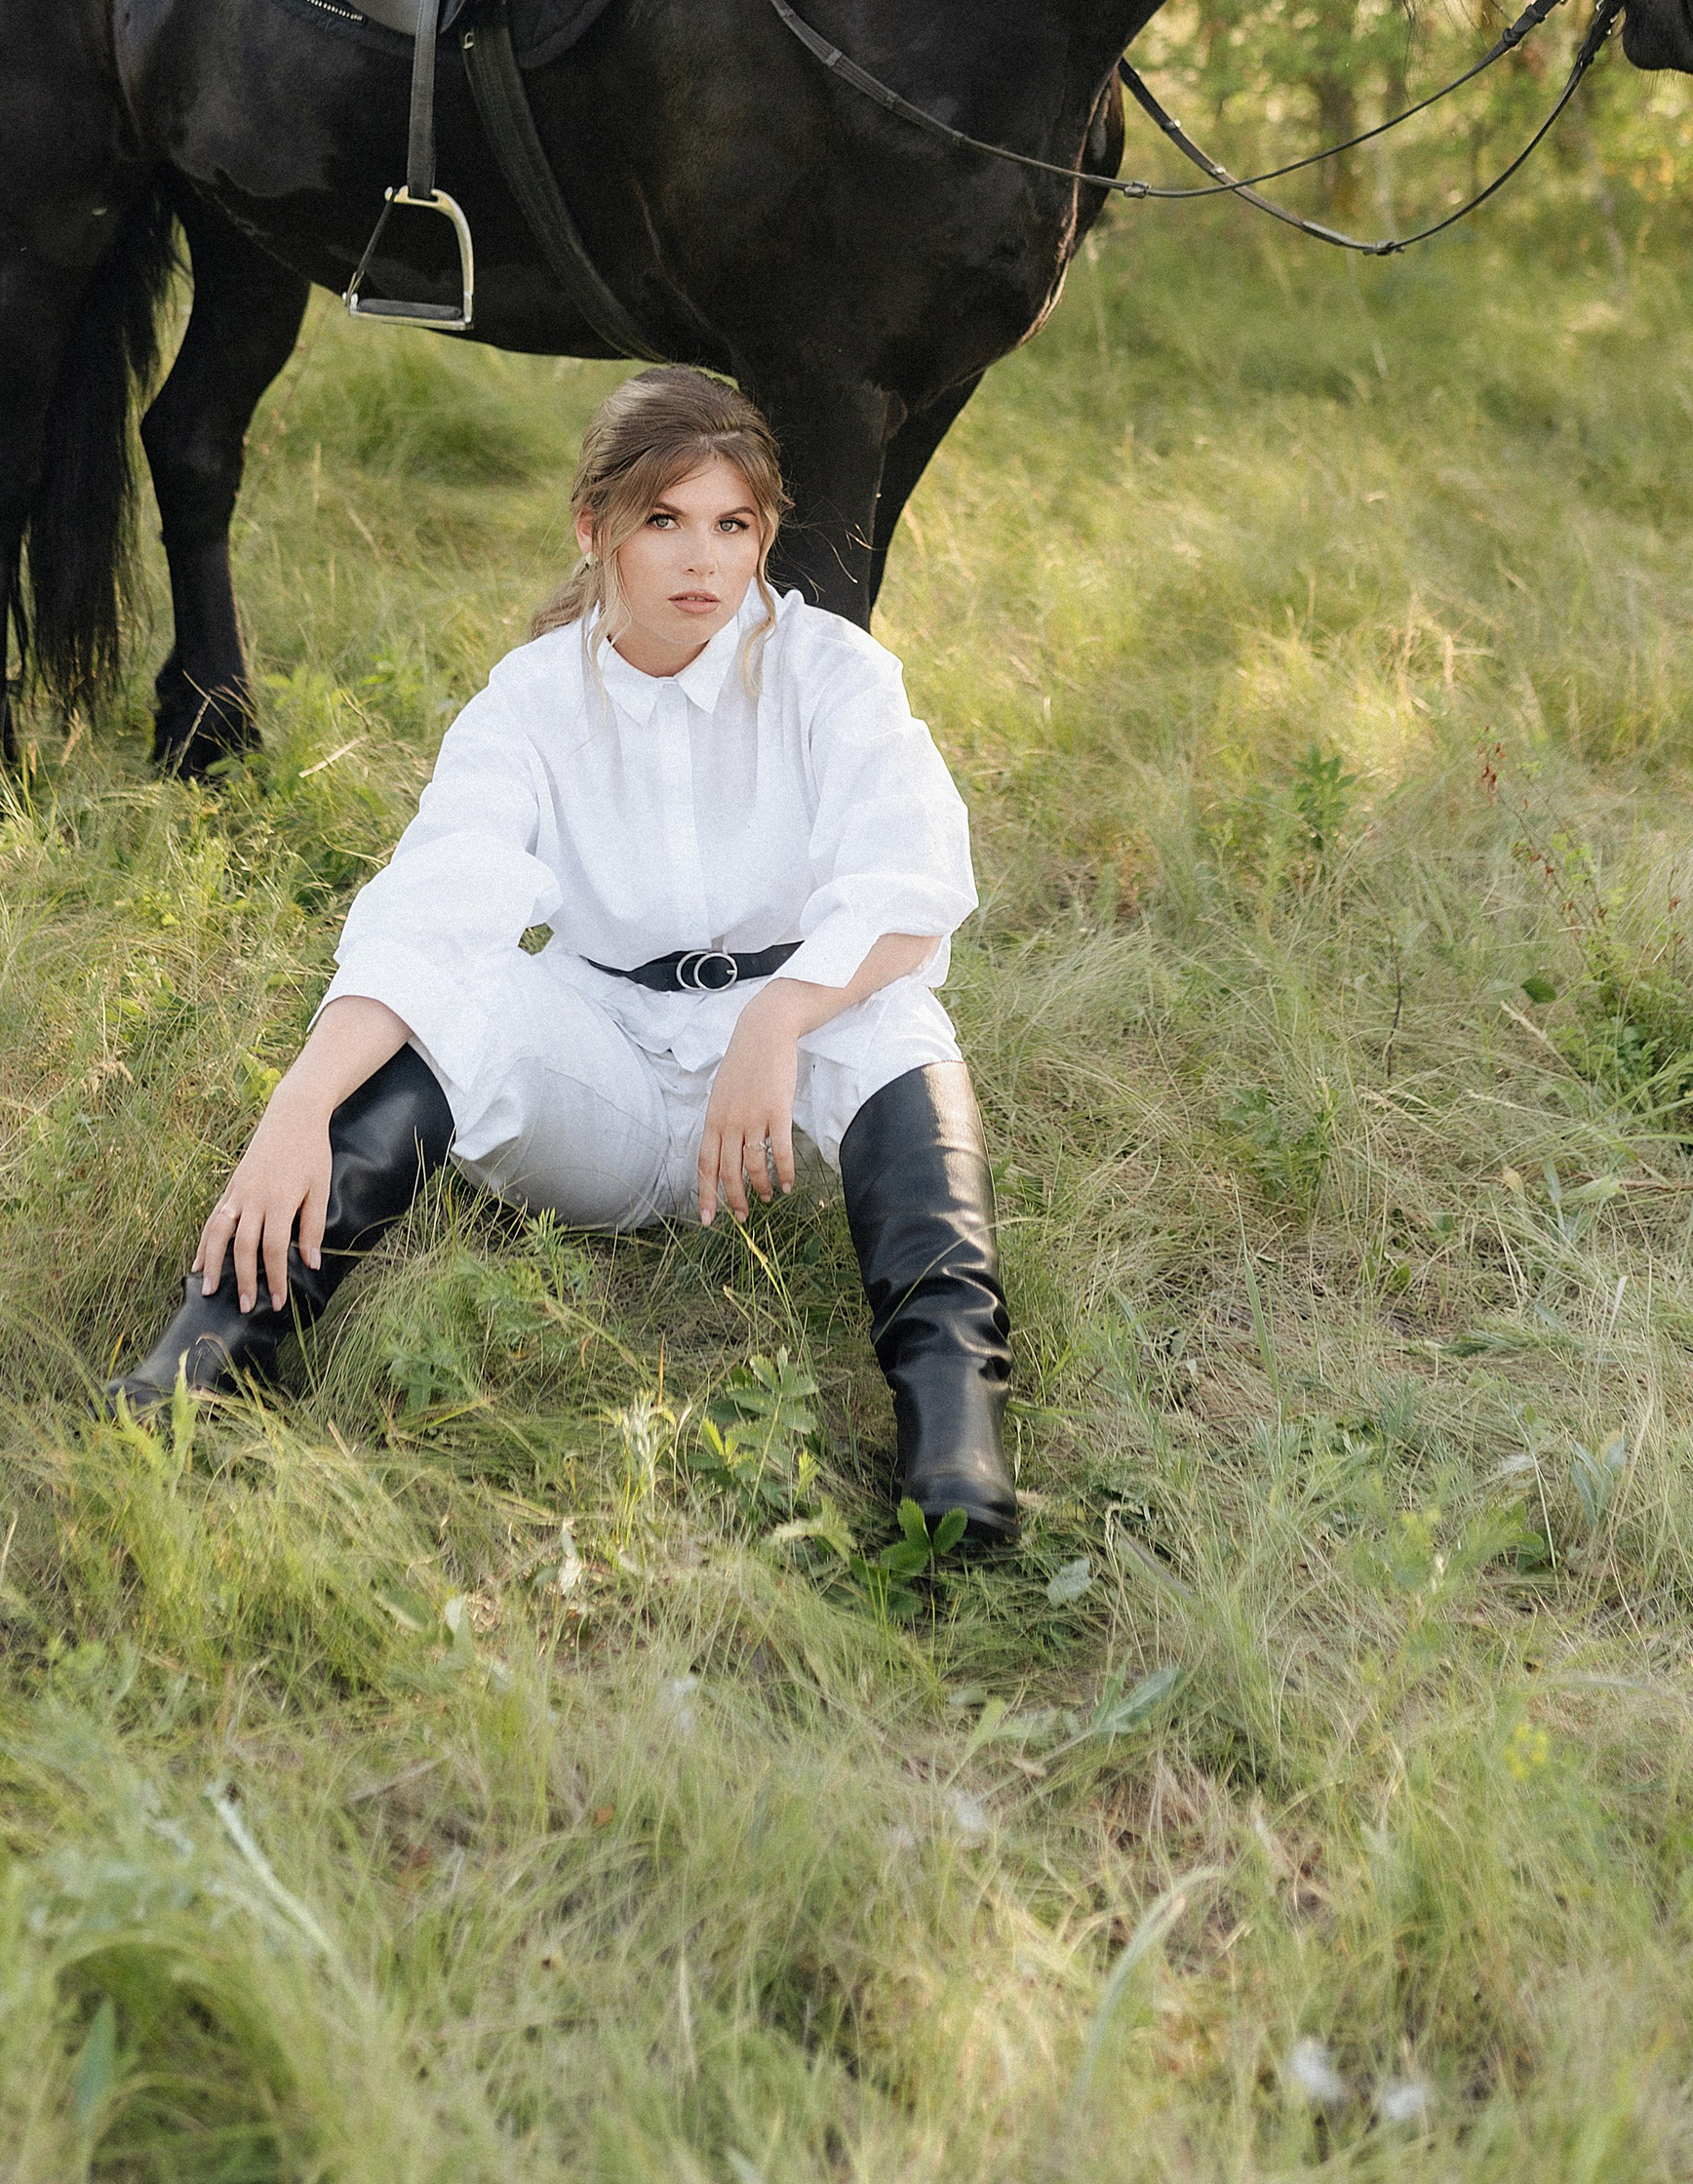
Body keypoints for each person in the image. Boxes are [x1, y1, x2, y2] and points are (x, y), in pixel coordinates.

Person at [109, 365, 1016, 1549]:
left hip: (780, 1093)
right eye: (664, 521)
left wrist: (778, 1016)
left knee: (894, 1016)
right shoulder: (529, 699)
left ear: (765, 534)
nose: (703, 561)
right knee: (472, 997)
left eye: (733, 524)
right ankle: (211, 1357)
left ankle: (954, 1442)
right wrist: (299, 1101)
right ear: (595, 529)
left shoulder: (828, 669)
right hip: (613, 1077)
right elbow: (438, 910)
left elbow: (913, 876)